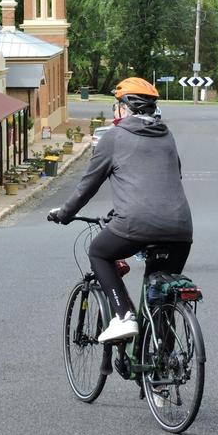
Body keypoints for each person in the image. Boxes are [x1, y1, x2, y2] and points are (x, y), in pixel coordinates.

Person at [48, 77, 193, 344]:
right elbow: (171, 177)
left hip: (136, 224)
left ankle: (123, 315)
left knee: (99, 252)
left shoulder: (114, 137)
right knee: (160, 295)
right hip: (181, 228)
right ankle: (160, 370)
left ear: (124, 108)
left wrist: (65, 213)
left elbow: (87, 186)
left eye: (116, 105)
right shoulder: (167, 136)